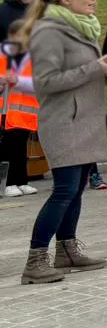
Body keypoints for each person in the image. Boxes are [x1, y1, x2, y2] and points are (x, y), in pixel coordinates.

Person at [18, 0, 107, 285]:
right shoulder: (49, 31)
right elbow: (46, 83)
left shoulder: (81, 28)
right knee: (63, 190)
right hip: (64, 121)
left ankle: (67, 251)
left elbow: (81, 76)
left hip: (84, 120)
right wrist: (95, 67)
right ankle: (35, 261)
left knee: (76, 189)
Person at [2, 20, 40, 197]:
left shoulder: (32, 58)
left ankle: (21, 180)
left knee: (20, 148)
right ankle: (9, 183)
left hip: (24, 113)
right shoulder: (2, 55)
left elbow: (39, 84)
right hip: (5, 111)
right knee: (8, 149)